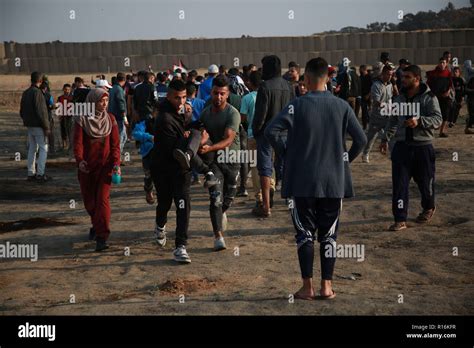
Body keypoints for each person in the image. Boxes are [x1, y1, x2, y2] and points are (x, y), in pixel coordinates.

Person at [265, 57, 367, 300]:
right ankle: (327, 286)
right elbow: (361, 140)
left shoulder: (296, 106)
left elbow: (271, 131)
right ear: (328, 79)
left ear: (307, 79)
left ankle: (307, 287)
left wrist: (288, 153)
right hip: (334, 182)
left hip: (302, 181)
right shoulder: (342, 106)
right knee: (330, 235)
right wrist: (343, 161)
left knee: (305, 234)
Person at [380, 65, 442, 231]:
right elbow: (393, 120)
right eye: (402, 77)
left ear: (417, 78)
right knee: (399, 185)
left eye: (407, 77)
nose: (403, 79)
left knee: (425, 183)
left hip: (423, 148)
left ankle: (428, 207)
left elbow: (437, 119)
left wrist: (420, 121)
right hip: (401, 148)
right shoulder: (399, 98)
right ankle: (400, 219)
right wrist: (384, 139)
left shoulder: (429, 97)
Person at [150, 79, 193, 263]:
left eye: (184, 97)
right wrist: (186, 136)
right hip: (164, 168)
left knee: (183, 206)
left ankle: (180, 247)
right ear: (168, 96)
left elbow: (187, 127)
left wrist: (190, 123)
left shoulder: (183, 110)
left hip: (181, 169)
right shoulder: (164, 118)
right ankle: (160, 225)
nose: (181, 102)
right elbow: (172, 149)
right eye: (177, 98)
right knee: (165, 204)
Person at [73, 88, 121, 251]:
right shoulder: (81, 119)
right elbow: (78, 143)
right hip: (86, 169)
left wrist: (116, 164)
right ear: (92, 102)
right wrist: (80, 161)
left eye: (106, 101)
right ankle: (96, 223)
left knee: (102, 201)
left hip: (105, 168)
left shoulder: (111, 119)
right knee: (90, 203)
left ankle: (102, 237)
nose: (104, 104)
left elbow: (115, 146)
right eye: (101, 101)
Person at [199, 75, 241, 251]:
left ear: (227, 94)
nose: (218, 97)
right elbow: (201, 131)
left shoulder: (233, 113)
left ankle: (222, 212)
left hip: (231, 159)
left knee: (228, 198)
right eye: (216, 93)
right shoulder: (205, 112)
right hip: (214, 161)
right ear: (211, 92)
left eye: (222, 94)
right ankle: (218, 236)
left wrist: (209, 148)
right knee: (215, 197)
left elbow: (228, 140)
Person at [252, 55, 296, 217]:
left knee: (265, 169)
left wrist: (256, 131)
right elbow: (293, 110)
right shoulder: (289, 86)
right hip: (285, 133)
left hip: (266, 134)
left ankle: (266, 207)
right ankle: (290, 202)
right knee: (285, 166)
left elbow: (261, 114)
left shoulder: (265, 87)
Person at [241, 70, 267, 209]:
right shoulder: (267, 95)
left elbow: (243, 118)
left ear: (250, 83)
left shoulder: (247, 98)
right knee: (268, 163)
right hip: (267, 135)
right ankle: (271, 187)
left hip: (252, 135)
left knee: (256, 167)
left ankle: (260, 196)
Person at [20, 72, 51, 182]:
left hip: (29, 125)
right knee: (43, 148)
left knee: (32, 149)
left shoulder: (26, 93)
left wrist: (26, 121)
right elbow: (41, 112)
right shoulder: (37, 93)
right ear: (40, 81)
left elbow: (21, 111)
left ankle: (31, 173)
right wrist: (46, 127)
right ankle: (40, 174)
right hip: (38, 126)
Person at [362, 64, 394, 163]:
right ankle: (365, 154)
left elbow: (390, 99)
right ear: (383, 74)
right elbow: (376, 102)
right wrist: (389, 106)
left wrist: (391, 108)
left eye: (391, 75)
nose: (390, 76)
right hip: (377, 116)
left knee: (390, 135)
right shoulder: (376, 85)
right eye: (388, 74)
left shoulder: (390, 85)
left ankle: (393, 155)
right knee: (371, 137)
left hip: (387, 115)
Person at [426, 57, 453, 137]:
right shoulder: (433, 73)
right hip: (434, 97)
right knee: (434, 113)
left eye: (443, 63)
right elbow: (428, 84)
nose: (442, 64)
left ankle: (442, 132)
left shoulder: (448, 73)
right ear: (438, 63)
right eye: (440, 62)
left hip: (445, 96)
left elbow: (450, 84)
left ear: (446, 64)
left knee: (445, 114)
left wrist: (448, 92)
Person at [108, 72, 128, 156]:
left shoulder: (113, 88)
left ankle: (116, 156)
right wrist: (125, 118)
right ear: (124, 80)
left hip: (113, 115)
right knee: (121, 137)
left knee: (121, 137)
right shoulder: (119, 90)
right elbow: (121, 104)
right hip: (119, 117)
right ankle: (117, 157)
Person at [57, 83, 73, 150]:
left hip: (70, 117)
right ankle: (64, 146)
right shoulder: (60, 98)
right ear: (63, 89)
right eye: (65, 89)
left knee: (70, 132)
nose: (67, 91)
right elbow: (58, 107)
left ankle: (71, 146)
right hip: (63, 117)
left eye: (68, 89)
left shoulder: (72, 98)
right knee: (63, 132)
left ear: (70, 90)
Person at [359, 65, 372, 130]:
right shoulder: (360, 77)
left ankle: (371, 126)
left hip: (370, 97)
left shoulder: (369, 77)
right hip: (363, 97)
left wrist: (368, 95)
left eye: (360, 69)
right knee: (364, 112)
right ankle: (364, 126)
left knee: (370, 112)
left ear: (363, 69)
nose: (359, 70)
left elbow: (372, 88)